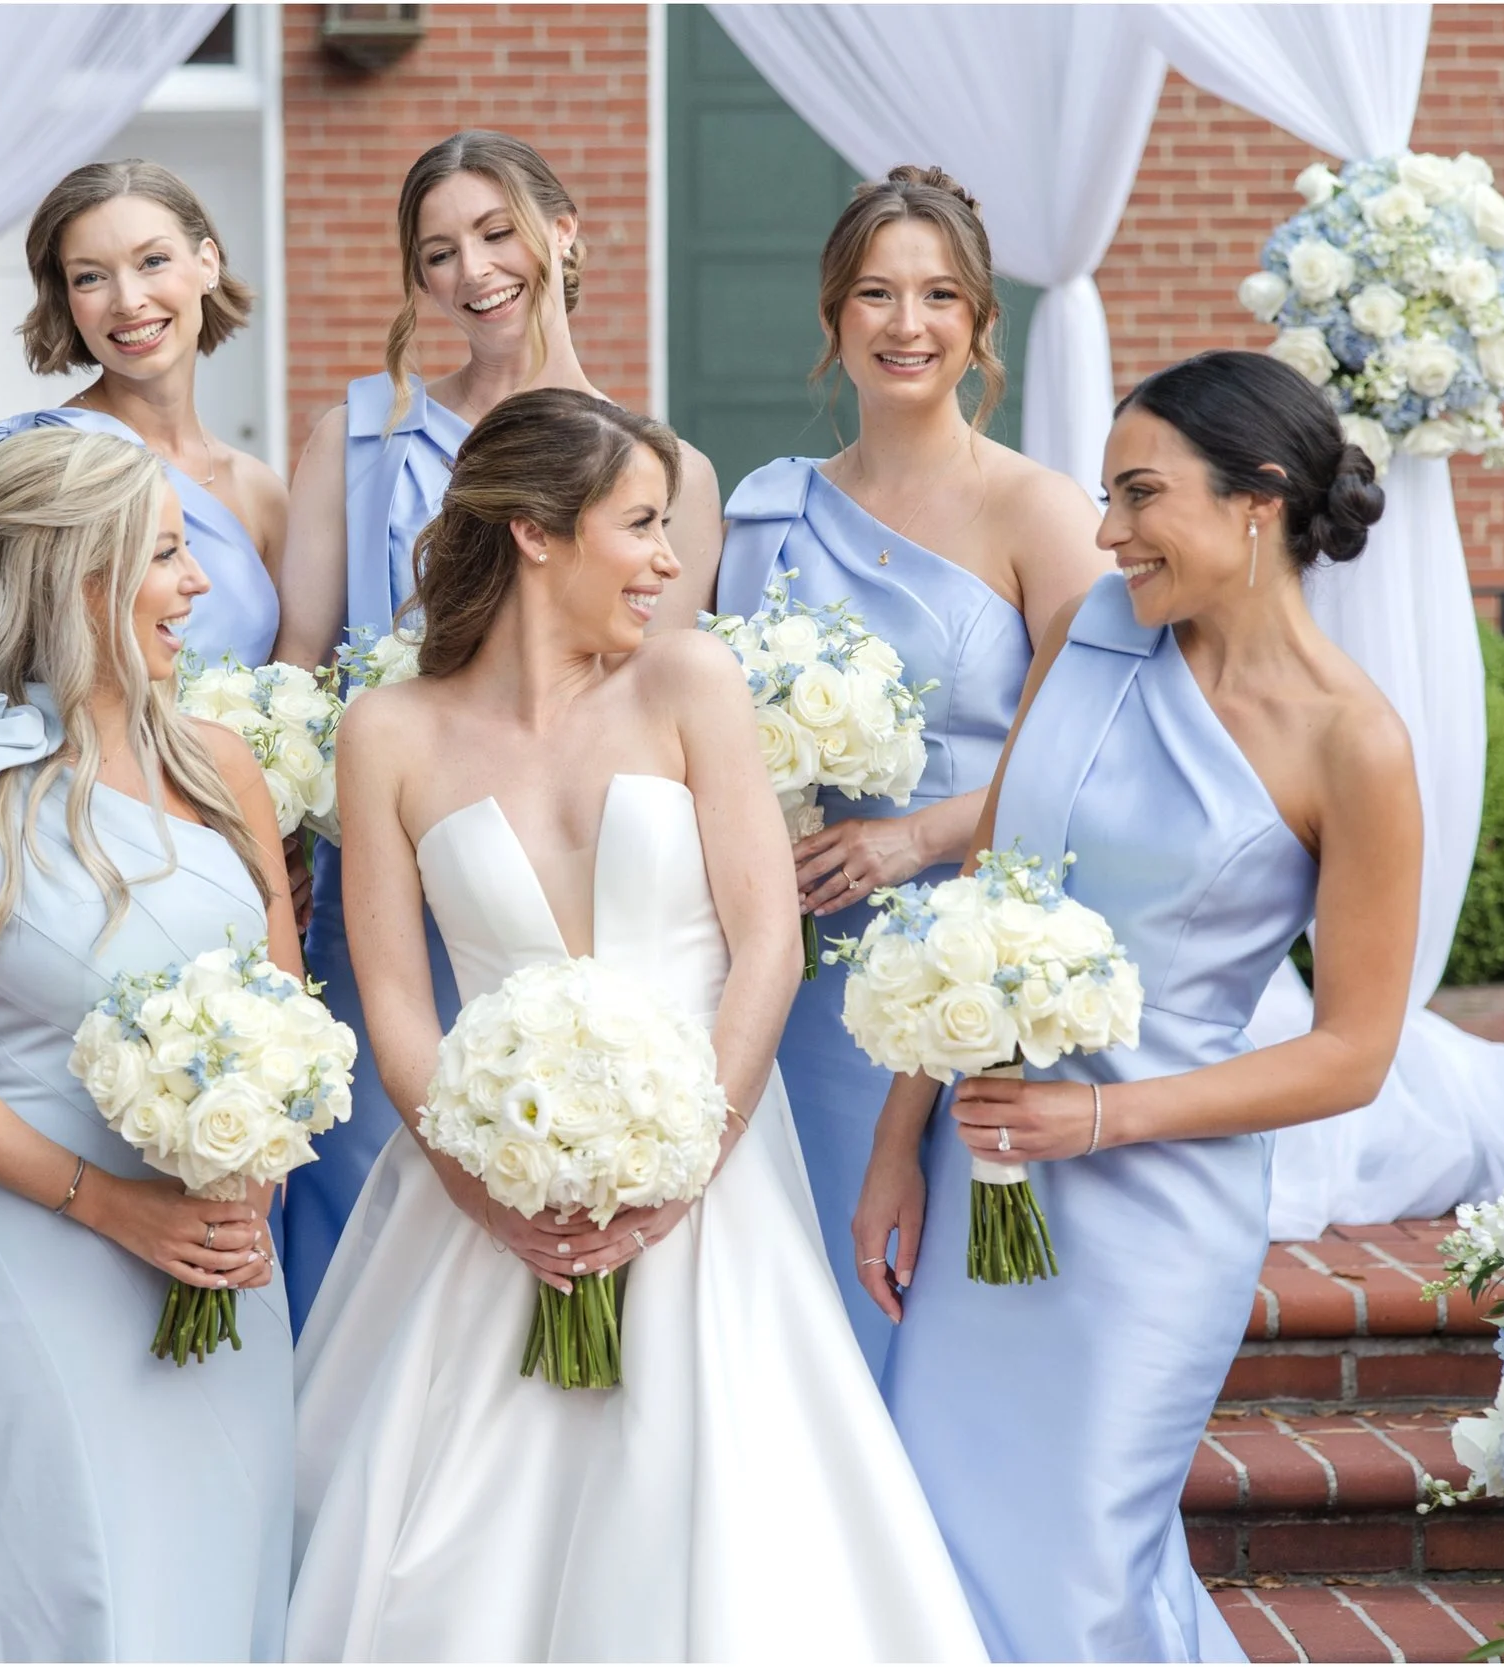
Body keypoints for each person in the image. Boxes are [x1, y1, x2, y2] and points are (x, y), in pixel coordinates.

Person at [288, 388, 983, 1662]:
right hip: (485, 1189)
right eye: (643, 525)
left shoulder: (689, 678)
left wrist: (675, 1171)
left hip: (709, 1172)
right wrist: (489, 1190)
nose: (673, 559)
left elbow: (767, 940)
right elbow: (394, 1000)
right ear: (535, 534)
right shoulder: (386, 730)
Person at [859, 349, 1423, 1661]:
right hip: (982, 1173)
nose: (1106, 531)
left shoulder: (1357, 742)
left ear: (1257, 502)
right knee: (945, 1530)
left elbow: (1352, 1053)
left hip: (1154, 1216)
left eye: (1139, 494)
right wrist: (899, 1143)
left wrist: (1104, 1113)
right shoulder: (1099, 630)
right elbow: (983, 896)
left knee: (1082, 1565)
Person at [0, 427, 296, 1661]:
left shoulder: (222, 769)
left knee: (216, 1576)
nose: (197, 584)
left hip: (220, 1253)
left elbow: (288, 1010)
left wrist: (251, 1160)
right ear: (80, 576)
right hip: (32, 1259)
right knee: (67, 1596)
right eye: (166, 553)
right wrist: (110, 1204)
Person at [271, 131, 723, 1327]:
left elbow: (632, 693)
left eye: (494, 231)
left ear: (563, 233)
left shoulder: (661, 469)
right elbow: (294, 671)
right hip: (392, 863)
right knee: (381, 1203)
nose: (470, 270)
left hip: (576, 887)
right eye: (436, 252)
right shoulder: (351, 440)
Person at [716, 165, 1106, 1367]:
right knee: (805, 1292)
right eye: (876, 295)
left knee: (943, 1305)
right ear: (834, 319)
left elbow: (1097, 757)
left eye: (938, 295)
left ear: (981, 325)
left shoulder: (1041, 513)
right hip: (800, 963)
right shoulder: (767, 513)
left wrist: (918, 836)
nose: (906, 323)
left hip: (972, 954)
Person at [0, 159, 284, 669]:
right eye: (91, 277)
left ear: (207, 263)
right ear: (67, 299)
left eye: (152, 262)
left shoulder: (259, 490)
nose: (127, 301)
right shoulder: (51, 463)